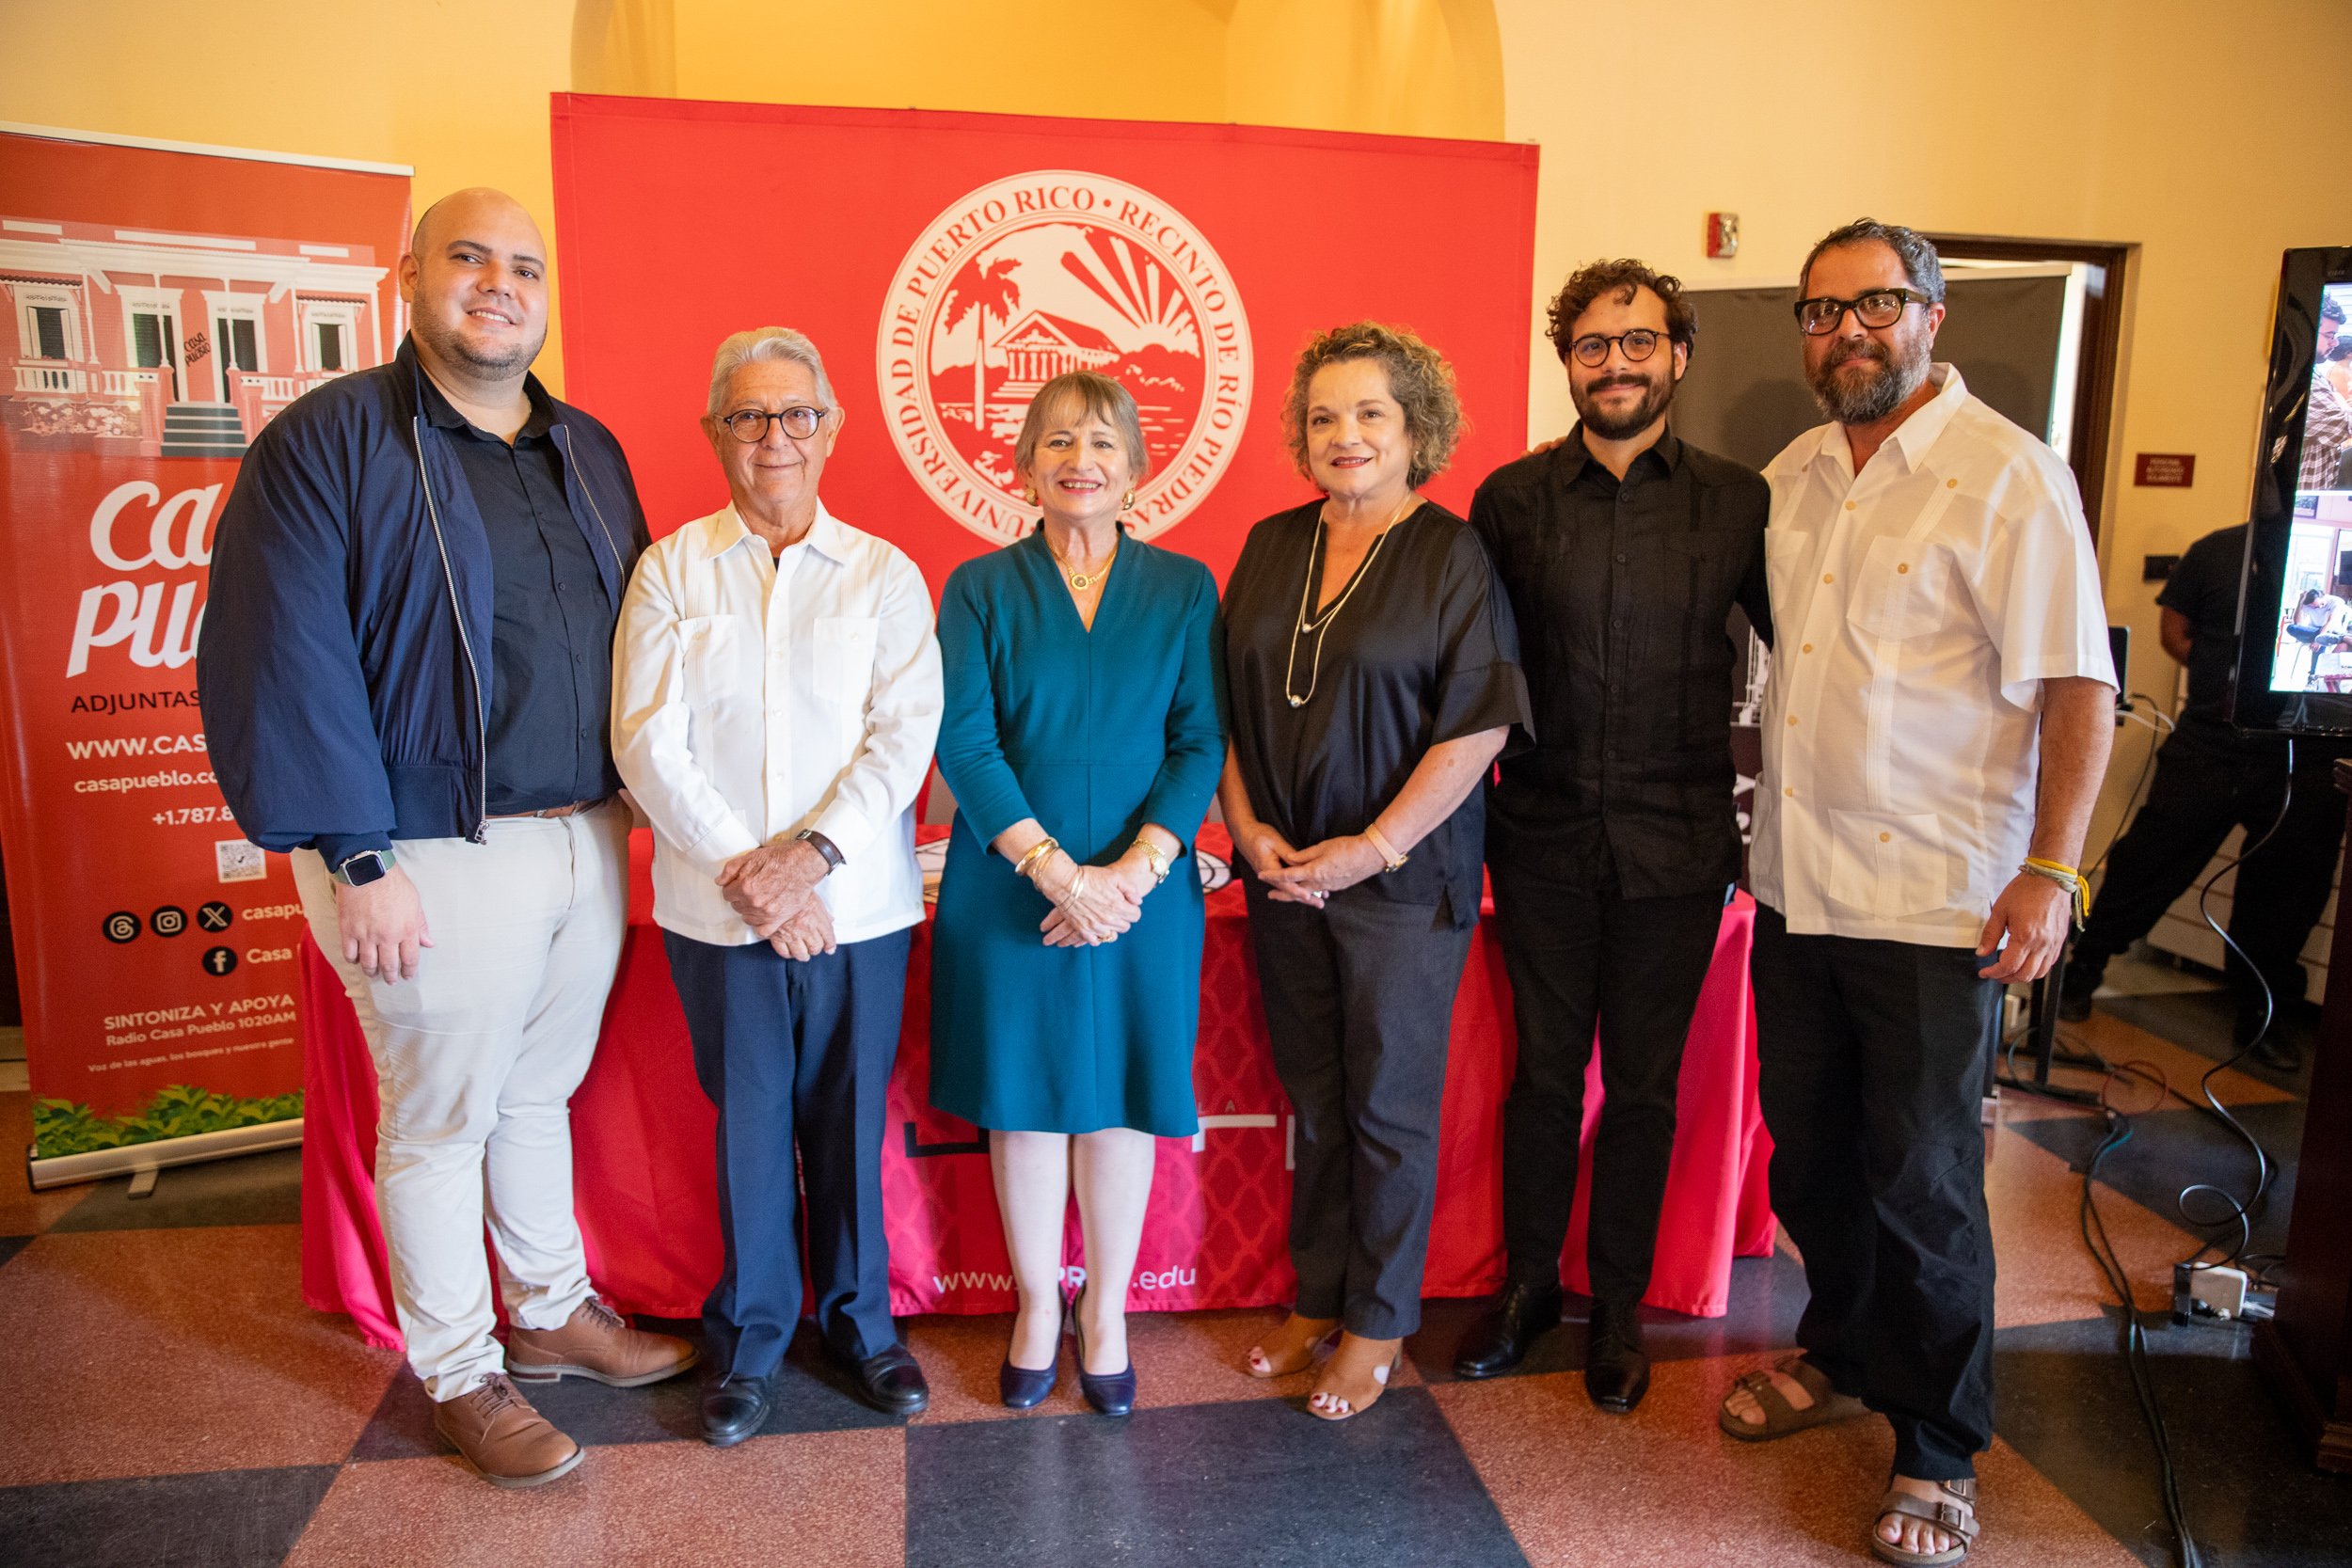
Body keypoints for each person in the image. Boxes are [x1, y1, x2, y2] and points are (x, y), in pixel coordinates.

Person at [198, 188, 690, 1489]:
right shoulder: (329, 441)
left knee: (537, 1092)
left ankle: (546, 1312)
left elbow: (643, 632)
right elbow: (282, 654)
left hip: (583, 829)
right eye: (469, 258)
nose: (499, 284)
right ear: (408, 274)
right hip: (424, 844)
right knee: (440, 1116)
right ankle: (462, 1366)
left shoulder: (584, 447)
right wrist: (357, 855)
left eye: (524, 265)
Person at [1724, 219, 2115, 1566]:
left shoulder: (2011, 477)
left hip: (1942, 907)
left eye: (1876, 304)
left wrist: (2052, 870)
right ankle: (1841, 1348)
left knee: (1929, 1181)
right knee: (1814, 1154)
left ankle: (1941, 1451)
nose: (1848, 332)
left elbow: (2080, 688)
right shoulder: (1792, 477)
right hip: (1798, 891)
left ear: (1932, 313)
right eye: (1822, 312)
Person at [612, 327, 943, 1443]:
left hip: (859, 907)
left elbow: (902, 740)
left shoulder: (885, 575)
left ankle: (861, 1325)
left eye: (795, 413)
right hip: (718, 912)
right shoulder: (668, 568)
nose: (774, 436)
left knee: (849, 1121)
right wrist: (753, 876)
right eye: (748, 415)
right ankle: (751, 1338)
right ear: (715, 433)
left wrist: (811, 863)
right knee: (748, 1123)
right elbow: (648, 739)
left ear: (832, 426)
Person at [1452, 260, 1770, 1412]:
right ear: (1568, 363)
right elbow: (1473, 667)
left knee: (1641, 1089)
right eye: (1593, 344)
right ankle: (1530, 1284)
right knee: (1541, 1079)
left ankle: (1619, 1308)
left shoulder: (1742, 500)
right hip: (1534, 837)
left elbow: (1806, 659)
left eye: (1640, 341)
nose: (1618, 362)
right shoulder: (1510, 499)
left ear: (1678, 354)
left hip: (1678, 844)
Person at [1219, 322, 1531, 1421]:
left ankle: (1381, 1318)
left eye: (1369, 414)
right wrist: (1249, 831)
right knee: (1316, 1099)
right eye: (1323, 416)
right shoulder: (1266, 544)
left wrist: (1374, 847)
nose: (1343, 435)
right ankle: (1319, 1296)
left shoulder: (1450, 556)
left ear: (1416, 431)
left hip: (1401, 885)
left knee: (1389, 1107)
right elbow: (1218, 714)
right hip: (1284, 875)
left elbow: (1477, 728)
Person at [929, 371, 1223, 1417]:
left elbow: (1198, 740)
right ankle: (1035, 1307)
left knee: (1118, 1107)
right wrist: (1056, 872)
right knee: (1026, 1107)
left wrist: (1134, 872)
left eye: (1101, 442)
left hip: (1144, 890)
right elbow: (963, 739)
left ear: (1137, 467)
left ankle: (1105, 1311)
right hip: (1012, 886)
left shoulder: (1185, 586)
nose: (1078, 459)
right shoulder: (976, 586)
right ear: (1022, 465)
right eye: (1055, 441)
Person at [2058, 523, 2347, 1069]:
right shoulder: (2217, 550)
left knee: (2289, 895)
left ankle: (2264, 1018)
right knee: (2145, 864)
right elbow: (2176, 633)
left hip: (2305, 758)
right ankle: (2082, 971)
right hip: (2211, 745)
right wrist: (2227, 683)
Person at [2298, 298, 2352, 493]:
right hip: (2303, 494)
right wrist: (2344, 408)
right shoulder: (2302, 378)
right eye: (2329, 335)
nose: (2335, 343)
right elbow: (2345, 422)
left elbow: (2341, 403)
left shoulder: (2314, 371)